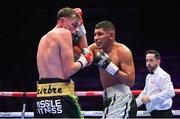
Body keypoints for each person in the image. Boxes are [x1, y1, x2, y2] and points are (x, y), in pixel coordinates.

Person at [35, 7, 93, 118]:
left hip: (42, 99)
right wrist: (83, 60)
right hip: (60, 96)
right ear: (62, 21)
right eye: (74, 25)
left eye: (78, 26)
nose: (76, 30)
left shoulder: (43, 38)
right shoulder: (64, 33)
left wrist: (80, 26)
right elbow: (69, 69)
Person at [88, 20, 136, 118]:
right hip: (107, 97)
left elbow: (130, 81)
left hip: (121, 97)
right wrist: (79, 30)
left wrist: (108, 66)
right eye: (95, 34)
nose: (96, 38)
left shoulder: (122, 51)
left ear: (111, 35)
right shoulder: (95, 48)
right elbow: (81, 54)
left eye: (100, 34)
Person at [136, 49, 175, 118]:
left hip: (163, 114)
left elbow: (170, 92)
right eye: (147, 60)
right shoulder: (149, 76)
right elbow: (145, 92)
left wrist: (150, 98)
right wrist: (134, 105)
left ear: (158, 61)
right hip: (154, 114)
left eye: (151, 60)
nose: (148, 63)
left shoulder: (163, 75)